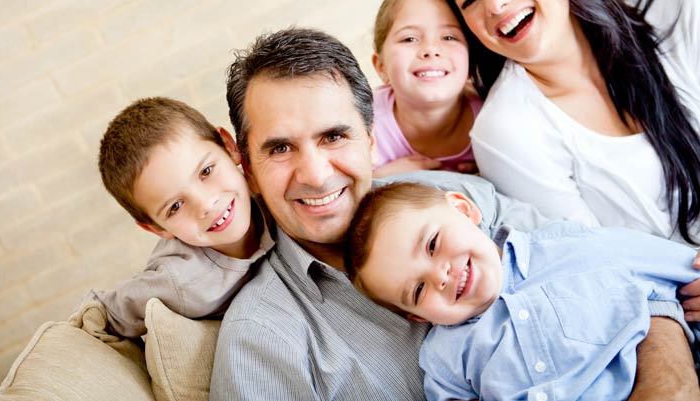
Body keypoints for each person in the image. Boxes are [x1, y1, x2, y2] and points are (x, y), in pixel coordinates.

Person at [209, 26, 699, 400]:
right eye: (280, 149)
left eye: (334, 136)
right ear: (246, 166)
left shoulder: (450, 195)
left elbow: (600, 269)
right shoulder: (262, 337)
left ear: (371, 140)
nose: (315, 174)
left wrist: (670, 376)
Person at [433, 0, 700, 251]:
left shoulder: (677, 11)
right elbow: (597, 264)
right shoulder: (507, 130)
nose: (495, 4)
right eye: (470, 0)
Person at [345, 181, 698, 401]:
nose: (441, 276)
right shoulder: (444, 357)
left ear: (464, 210)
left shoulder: (574, 245)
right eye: (419, 289)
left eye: (433, 244)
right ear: (417, 316)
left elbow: (680, 266)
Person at [87, 97, 273, 337]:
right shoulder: (178, 282)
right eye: (175, 206)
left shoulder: (274, 190)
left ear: (228, 146)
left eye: (206, 171)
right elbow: (103, 314)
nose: (206, 204)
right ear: (156, 228)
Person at [371, 0, 482, 177]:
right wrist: (378, 182)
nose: (430, 50)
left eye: (449, 37)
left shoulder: (491, 114)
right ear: (381, 66)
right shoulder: (362, 127)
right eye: (409, 38)